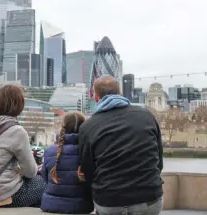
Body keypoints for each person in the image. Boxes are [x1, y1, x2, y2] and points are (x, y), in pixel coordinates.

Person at [78, 76, 163, 215]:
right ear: (120, 94)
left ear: (96, 98)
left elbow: (87, 170)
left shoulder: (88, 126)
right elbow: (159, 160)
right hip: (149, 198)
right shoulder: (147, 116)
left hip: (110, 201)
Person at [0, 84, 45, 207]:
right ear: (18, 105)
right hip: (6, 196)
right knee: (42, 182)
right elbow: (31, 172)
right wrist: (20, 170)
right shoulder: (17, 131)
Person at [40, 112, 94, 214]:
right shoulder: (88, 151)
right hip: (81, 206)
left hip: (50, 205)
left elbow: (45, 178)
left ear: (62, 127)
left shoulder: (49, 151)